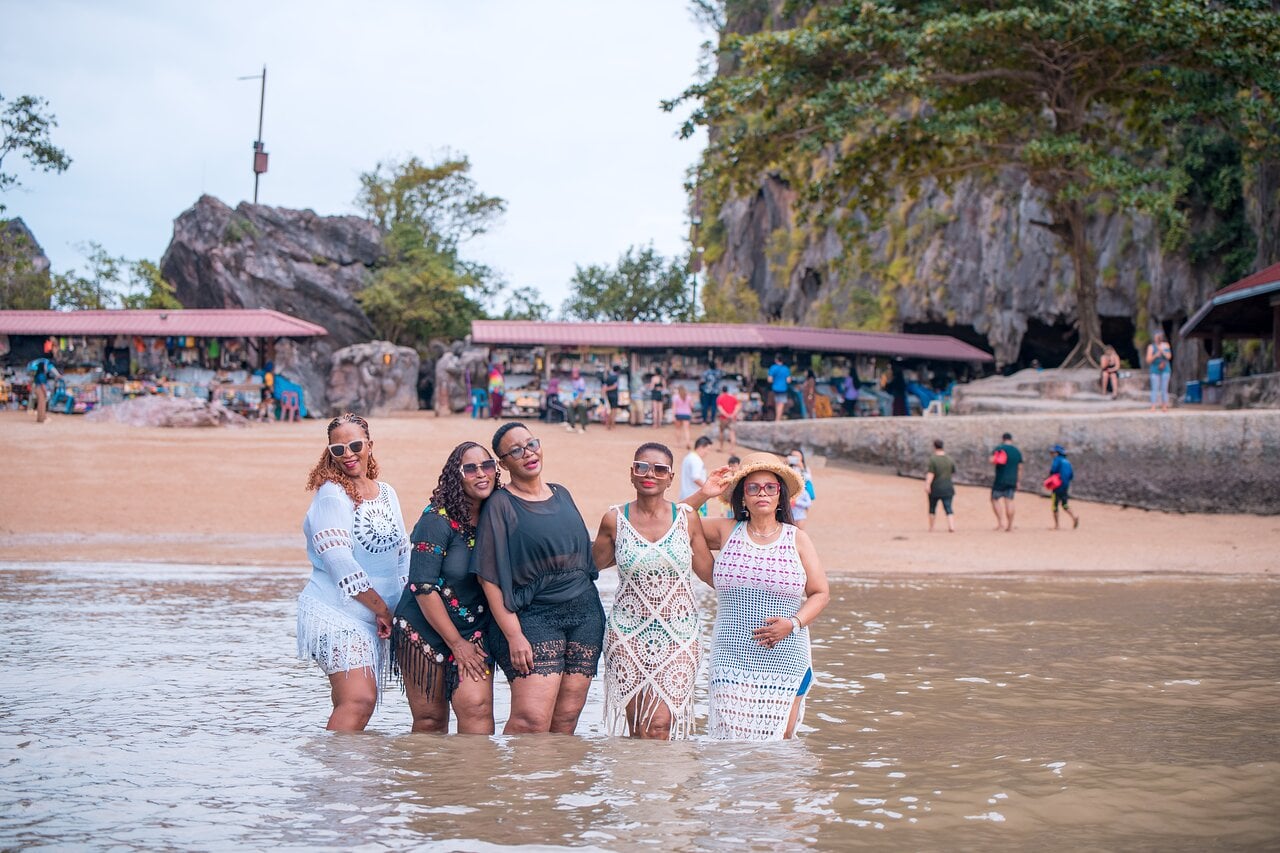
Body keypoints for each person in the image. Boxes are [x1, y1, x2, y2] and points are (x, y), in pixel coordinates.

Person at [471, 422, 605, 734]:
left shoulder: (562, 493)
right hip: (534, 618)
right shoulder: (501, 504)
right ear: (503, 463)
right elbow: (488, 577)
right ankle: (518, 784)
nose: (528, 453)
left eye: (531, 444)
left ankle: (555, 783)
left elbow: (582, 556)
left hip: (585, 614)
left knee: (567, 718)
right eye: (516, 450)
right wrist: (514, 635)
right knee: (530, 720)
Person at [685, 453, 830, 741]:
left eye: (770, 487)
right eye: (753, 488)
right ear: (742, 497)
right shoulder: (726, 531)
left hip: (787, 657)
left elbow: (820, 593)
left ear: (781, 496)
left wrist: (793, 623)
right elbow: (677, 520)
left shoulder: (797, 539)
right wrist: (704, 492)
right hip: (731, 657)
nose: (761, 493)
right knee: (730, 745)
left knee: (778, 746)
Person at [591, 442, 714, 739]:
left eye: (660, 469)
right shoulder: (614, 520)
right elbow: (591, 566)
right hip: (628, 634)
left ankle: (667, 784)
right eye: (642, 467)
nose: (650, 474)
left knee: (660, 725)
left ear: (670, 478)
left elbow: (710, 573)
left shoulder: (687, 519)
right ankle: (637, 783)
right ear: (631, 473)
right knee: (638, 729)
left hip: (679, 635)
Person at [296, 413, 409, 731]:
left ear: (370, 446)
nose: (348, 454)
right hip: (335, 613)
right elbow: (339, 562)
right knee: (359, 699)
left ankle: (342, 775)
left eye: (355, 445)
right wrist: (382, 609)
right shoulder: (332, 494)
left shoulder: (387, 493)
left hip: (375, 617)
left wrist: (400, 611)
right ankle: (341, 777)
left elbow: (403, 555)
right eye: (338, 449)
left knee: (352, 702)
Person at [391, 441, 499, 734]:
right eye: (470, 468)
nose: (481, 474)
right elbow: (422, 587)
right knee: (430, 721)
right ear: (456, 475)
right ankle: (432, 781)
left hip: (474, 628)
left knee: (477, 709)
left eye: (487, 466)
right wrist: (456, 645)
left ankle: (474, 779)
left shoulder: (498, 514)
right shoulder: (435, 520)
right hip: (423, 628)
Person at [990, 432, 1023, 532]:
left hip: (1000, 479)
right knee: (1009, 501)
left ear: (1003, 439)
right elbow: (1020, 468)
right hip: (1012, 479)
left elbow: (991, 460)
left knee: (994, 499)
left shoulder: (999, 448)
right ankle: (1010, 525)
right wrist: (1018, 481)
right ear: (1011, 439)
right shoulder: (1017, 451)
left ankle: (1000, 523)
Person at [924, 439, 957, 533]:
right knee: (948, 507)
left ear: (934, 447)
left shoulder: (933, 459)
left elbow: (931, 473)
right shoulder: (949, 459)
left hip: (935, 487)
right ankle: (951, 526)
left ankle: (931, 527)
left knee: (932, 507)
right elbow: (953, 472)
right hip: (948, 487)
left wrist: (927, 484)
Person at [1047, 444, 1079, 530]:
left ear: (1057, 453)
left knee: (1054, 505)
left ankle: (1057, 525)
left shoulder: (1057, 460)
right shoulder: (1067, 462)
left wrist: (1049, 479)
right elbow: (1071, 475)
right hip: (1065, 486)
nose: (1052, 454)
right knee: (1065, 504)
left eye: (1053, 452)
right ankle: (1074, 516)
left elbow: (1053, 471)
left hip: (1057, 485)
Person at [679, 435, 713, 516]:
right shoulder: (696, 460)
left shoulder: (688, 457)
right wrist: (708, 488)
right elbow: (696, 478)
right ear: (701, 447)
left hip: (685, 496)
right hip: (696, 498)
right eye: (707, 449)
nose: (707, 452)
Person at [786, 449, 816, 529]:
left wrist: (802, 468)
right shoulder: (786, 467)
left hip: (801, 495)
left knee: (799, 527)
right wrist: (786, 464)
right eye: (793, 456)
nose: (795, 458)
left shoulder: (805, 468)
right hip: (789, 494)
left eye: (797, 457)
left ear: (802, 458)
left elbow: (808, 480)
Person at [28, 357, 60, 424]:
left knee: (39, 404)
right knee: (42, 404)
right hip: (40, 389)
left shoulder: (37, 375)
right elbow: (43, 385)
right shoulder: (42, 375)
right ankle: (42, 418)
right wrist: (45, 392)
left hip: (37, 388)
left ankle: (39, 418)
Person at [1147, 332, 1173, 412]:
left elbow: (1169, 357)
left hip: (1165, 369)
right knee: (1154, 388)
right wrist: (1156, 355)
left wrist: (1163, 351)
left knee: (1164, 388)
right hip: (1155, 370)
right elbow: (1148, 360)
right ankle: (1153, 406)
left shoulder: (1166, 345)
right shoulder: (1151, 347)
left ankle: (1164, 405)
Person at [565, 366, 589, 433]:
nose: (573, 374)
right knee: (570, 409)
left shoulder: (581, 381)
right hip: (574, 400)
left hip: (581, 400)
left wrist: (576, 401)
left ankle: (583, 428)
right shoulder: (573, 381)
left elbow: (581, 393)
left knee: (581, 411)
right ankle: (572, 425)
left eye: (575, 373)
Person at [715, 384, 739, 451]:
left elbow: (720, 408)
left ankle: (721, 447)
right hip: (732, 418)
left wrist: (726, 415)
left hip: (723, 418)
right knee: (732, 433)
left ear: (722, 390)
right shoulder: (733, 397)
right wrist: (732, 414)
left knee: (721, 432)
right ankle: (732, 449)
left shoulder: (720, 398)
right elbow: (737, 407)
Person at [768, 355, 791, 421]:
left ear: (776, 360)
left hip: (775, 388)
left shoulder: (773, 368)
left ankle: (777, 418)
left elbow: (770, 379)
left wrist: (775, 380)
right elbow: (788, 380)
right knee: (781, 404)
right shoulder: (786, 369)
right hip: (783, 388)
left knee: (777, 403)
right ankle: (778, 418)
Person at [699, 360, 723, 425]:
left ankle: (704, 420)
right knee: (714, 406)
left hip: (707, 391)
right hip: (715, 391)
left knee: (705, 406)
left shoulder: (706, 373)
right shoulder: (719, 372)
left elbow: (702, 381)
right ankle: (712, 420)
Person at [671, 384, 694, 449]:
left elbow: (674, 407)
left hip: (678, 414)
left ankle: (678, 443)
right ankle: (688, 442)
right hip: (687, 414)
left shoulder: (675, 397)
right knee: (687, 430)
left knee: (678, 429)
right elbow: (692, 406)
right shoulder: (688, 397)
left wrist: (673, 416)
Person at [602, 364, 621, 430]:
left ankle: (608, 424)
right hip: (614, 395)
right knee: (614, 410)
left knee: (609, 410)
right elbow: (615, 386)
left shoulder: (608, 377)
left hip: (608, 395)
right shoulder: (616, 377)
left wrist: (605, 391)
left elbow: (604, 387)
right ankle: (612, 423)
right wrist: (608, 389)